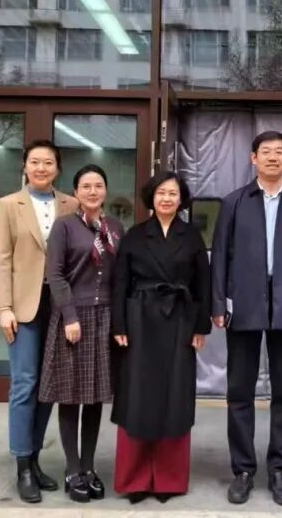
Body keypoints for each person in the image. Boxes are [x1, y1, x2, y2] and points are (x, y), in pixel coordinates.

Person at [211, 130, 282, 507]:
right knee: (239, 391)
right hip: (244, 304)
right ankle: (243, 470)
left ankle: (279, 470)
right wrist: (217, 304)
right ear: (253, 158)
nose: (273, 157)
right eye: (266, 151)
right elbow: (220, 256)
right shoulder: (234, 202)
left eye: (279, 152)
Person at [111, 171, 212, 504]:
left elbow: (203, 283)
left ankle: (169, 479)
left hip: (180, 321)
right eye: (161, 193)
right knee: (138, 397)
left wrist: (201, 327)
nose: (167, 198)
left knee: (174, 397)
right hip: (139, 321)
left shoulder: (191, 236)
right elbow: (120, 283)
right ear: (151, 198)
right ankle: (136, 479)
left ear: (181, 199)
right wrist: (119, 325)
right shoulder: (135, 235)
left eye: (173, 193)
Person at [0, 139, 77, 503]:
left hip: (59, 306)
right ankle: (22, 466)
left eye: (48, 163)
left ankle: (36, 460)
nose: (41, 168)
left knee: (48, 386)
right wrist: (4, 307)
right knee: (24, 383)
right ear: (25, 166)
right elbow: (2, 259)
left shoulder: (71, 205)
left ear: (58, 168)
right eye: (35, 162)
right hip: (23, 307)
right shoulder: (8, 205)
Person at [39, 164, 125, 503]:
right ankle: (72, 468)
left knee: (94, 396)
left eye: (98, 185)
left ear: (105, 191)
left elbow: (120, 277)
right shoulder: (64, 226)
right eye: (86, 186)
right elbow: (55, 275)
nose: (92, 191)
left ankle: (89, 467)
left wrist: (119, 321)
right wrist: (70, 316)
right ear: (75, 192)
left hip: (104, 317)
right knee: (70, 395)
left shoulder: (114, 228)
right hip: (72, 318)